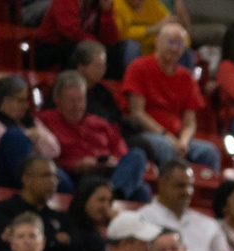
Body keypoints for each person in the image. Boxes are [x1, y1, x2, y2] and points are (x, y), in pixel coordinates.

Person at [38, 71, 150, 204]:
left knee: (138, 156)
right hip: (77, 176)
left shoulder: (99, 122)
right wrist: (75, 165)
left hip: (110, 175)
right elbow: (45, 156)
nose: (77, 106)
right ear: (57, 100)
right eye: (71, 101)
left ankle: (110, 197)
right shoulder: (45, 121)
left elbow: (120, 149)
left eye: (80, 100)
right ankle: (109, 199)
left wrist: (113, 161)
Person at [122, 22, 220, 170]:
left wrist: (183, 142)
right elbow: (137, 113)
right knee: (165, 147)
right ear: (157, 43)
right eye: (171, 42)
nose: (175, 48)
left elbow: (190, 122)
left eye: (180, 44)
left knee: (209, 152)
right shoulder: (138, 67)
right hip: (144, 133)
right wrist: (166, 136)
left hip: (176, 138)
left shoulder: (187, 77)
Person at [138, 162, 229, 251]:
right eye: (180, 186)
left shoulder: (209, 223)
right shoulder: (142, 218)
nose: (187, 191)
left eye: (190, 186)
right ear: (161, 184)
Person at [0, 156, 70, 251]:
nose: (53, 182)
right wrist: (54, 238)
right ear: (26, 179)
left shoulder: (60, 217)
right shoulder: (4, 210)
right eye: (47, 175)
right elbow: (3, 250)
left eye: (56, 177)